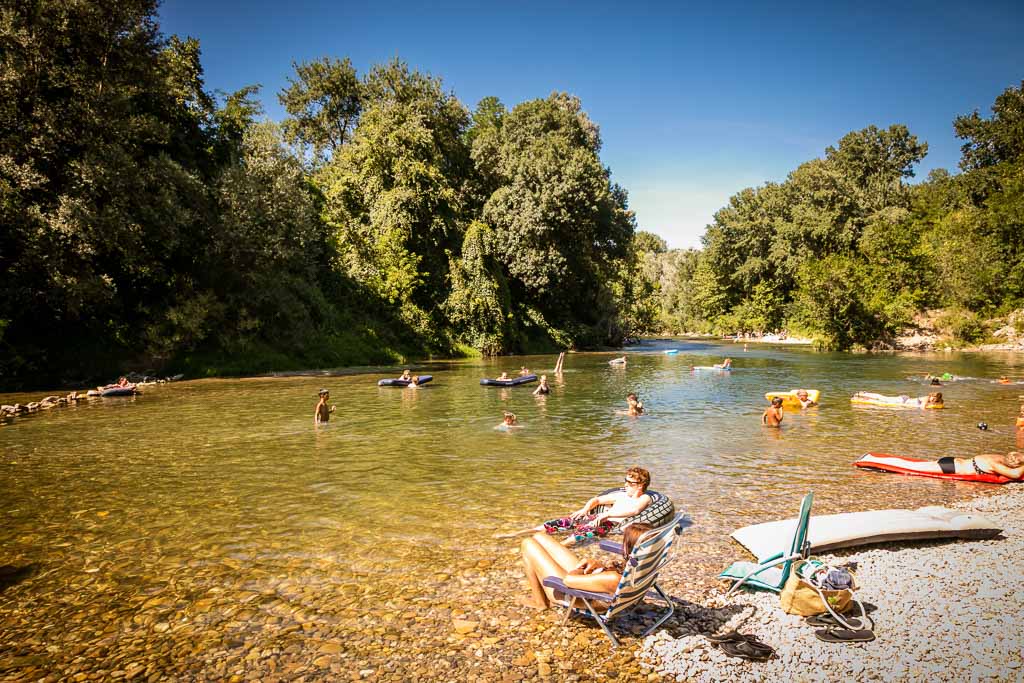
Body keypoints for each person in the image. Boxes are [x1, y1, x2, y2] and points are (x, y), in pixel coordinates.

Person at [517, 522, 654, 610]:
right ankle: (540, 600)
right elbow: (606, 581)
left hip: (572, 594)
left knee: (528, 543)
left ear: (629, 548)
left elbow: (568, 581)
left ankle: (540, 603)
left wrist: (581, 569)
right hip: (594, 582)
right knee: (540, 537)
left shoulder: (613, 578)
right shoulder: (647, 564)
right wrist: (597, 566)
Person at [497, 467, 653, 542]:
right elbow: (597, 500)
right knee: (555, 524)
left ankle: (557, 547)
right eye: (625, 481)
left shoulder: (644, 498)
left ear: (640, 485)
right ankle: (515, 535)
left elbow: (635, 510)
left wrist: (608, 514)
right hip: (597, 516)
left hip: (609, 523)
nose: (625, 484)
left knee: (575, 537)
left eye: (629, 482)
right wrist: (585, 510)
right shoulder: (620, 495)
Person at [929, 452, 1024, 480]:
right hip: (951, 467)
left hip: (953, 462)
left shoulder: (999, 457)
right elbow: (1015, 474)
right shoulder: (995, 464)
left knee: (914, 465)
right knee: (913, 467)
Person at [852, 391, 943, 408]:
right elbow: (922, 408)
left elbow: (941, 403)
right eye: (933, 398)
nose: (933, 400)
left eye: (935, 400)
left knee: (882, 399)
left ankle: (864, 396)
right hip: (902, 400)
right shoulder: (926, 398)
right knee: (883, 398)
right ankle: (863, 394)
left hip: (905, 399)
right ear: (931, 396)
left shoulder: (934, 401)